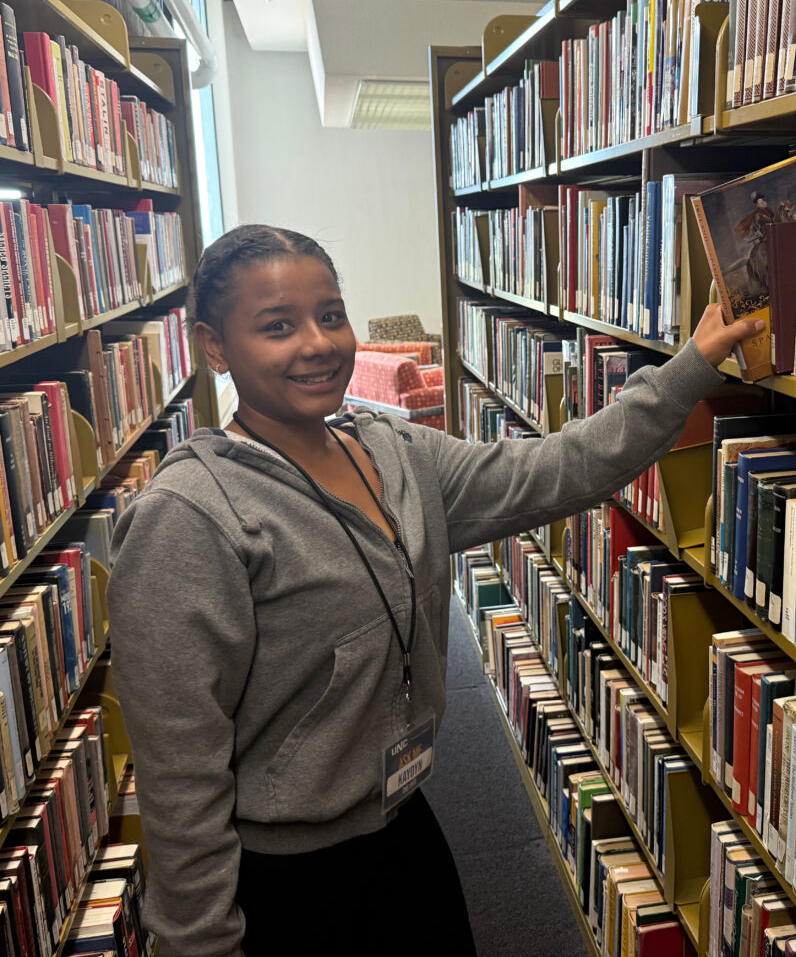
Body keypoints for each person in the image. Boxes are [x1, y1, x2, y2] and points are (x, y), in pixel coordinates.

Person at [107, 224, 762, 957]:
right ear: (214, 346)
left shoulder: (396, 451)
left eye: (330, 315)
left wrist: (692, 364)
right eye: (277, 326)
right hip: (283, 879)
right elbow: (180, 784)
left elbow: (560, 468)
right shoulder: (189, 518)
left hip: (404, 821)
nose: (318, 343)